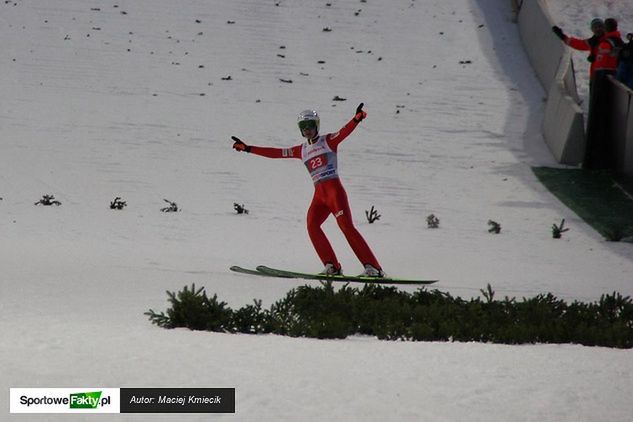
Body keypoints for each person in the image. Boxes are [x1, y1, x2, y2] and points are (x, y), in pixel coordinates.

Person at [231, 103, 384, 277]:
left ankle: (373, 268)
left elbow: (344, 131)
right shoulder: (301, 150)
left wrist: (356, 119)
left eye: (310, 126)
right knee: (312, 225)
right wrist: (249, 149)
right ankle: (332, 266)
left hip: (334, 192)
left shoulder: (328, 141)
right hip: (320, 195)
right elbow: (276, 153)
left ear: (316, 126)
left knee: (346, 226)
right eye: (303, 127)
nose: (307, 130)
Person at [552, 18, 621, 85]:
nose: (598, 29)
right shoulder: (593, 41)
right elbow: (579, 44)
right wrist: (563, 37)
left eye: (600, 26)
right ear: (592, 30)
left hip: (606, 76)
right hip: (595, 75)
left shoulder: (609, 41)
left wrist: (597, 58)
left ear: (604, 28)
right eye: (595, 27)